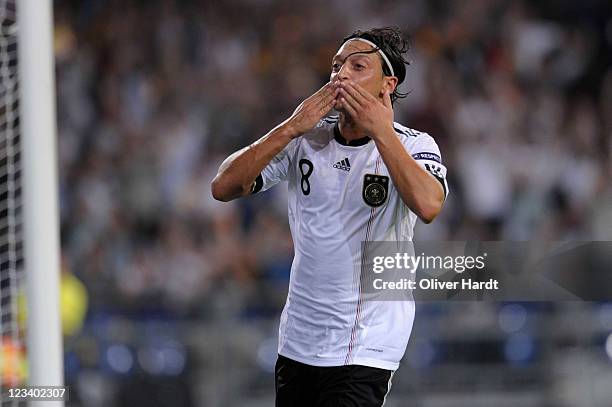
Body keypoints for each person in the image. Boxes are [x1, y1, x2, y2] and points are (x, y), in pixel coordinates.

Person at [212, 26, 448, 407]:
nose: (341, 75)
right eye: (336, 67)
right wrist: (290, 127)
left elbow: (428, 205)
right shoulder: (305, 138)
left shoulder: (413, 144)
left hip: (365, 344)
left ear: (387, 85)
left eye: (357, 66)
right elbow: (223, 186)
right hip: (298, 341)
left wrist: (380, 130)